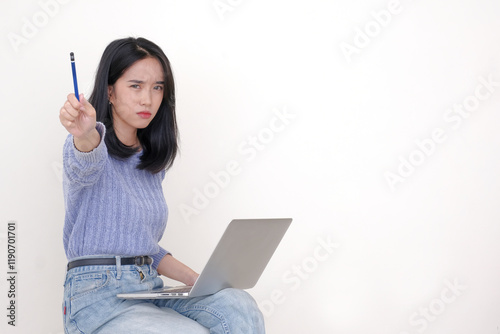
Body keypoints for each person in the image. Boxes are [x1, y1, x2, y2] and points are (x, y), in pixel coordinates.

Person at [59, 37, 265, 333]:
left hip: (146, 289)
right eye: (136, 86)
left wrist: (197, 279)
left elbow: (145, 247)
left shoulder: (149, 163)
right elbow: (85, 163)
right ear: (110, 92)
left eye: (157, 87)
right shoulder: (89, 145)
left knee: (237, 305)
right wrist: (86, 133)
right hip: (96, 299)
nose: (148, 99)